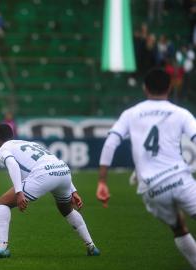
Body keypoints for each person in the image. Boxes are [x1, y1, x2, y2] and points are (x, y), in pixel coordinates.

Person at [96, 68, 196, 269]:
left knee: (179, 228)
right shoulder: (181, 113)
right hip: (180, 179)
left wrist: (102, 181)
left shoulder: (131, 114)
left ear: (144, 88)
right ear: (169, 87)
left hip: (152, 188)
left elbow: (110, 143)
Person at [0, 124, 100, 258]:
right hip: (63, 171)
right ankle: (92, 247)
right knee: (66, 209)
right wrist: (73, 190)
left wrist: (19, 192)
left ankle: (2, 248)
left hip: (44, 175)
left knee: (2, 203)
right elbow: (53, 161)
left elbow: (12, 164)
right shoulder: (28, 143)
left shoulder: (2, 149)